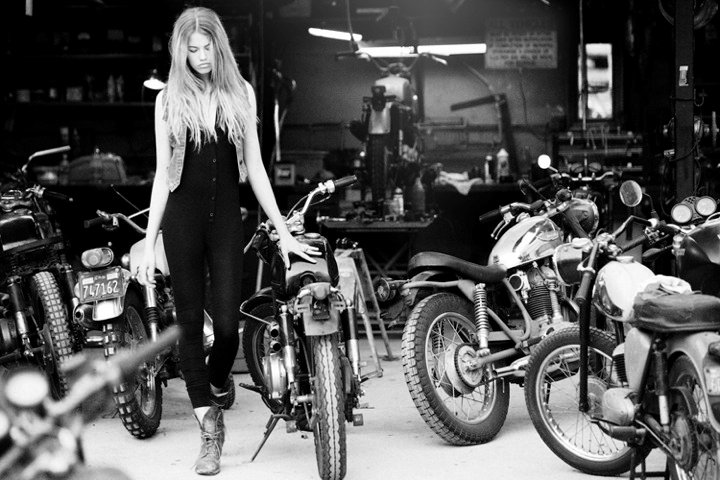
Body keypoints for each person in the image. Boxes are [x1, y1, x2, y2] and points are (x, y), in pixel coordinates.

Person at [137, 6, 318, 476]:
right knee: (189, 326)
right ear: (180, 53)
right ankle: (209, 429)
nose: (200, 56)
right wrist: (149, 242)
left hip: (224, 224)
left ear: (220, 47)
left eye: (207, 47)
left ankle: (217, 385)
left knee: (228, 328)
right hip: (181, 222)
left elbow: (255, 167)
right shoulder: (167, 100)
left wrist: (283, 231)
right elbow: (162, 175)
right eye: (191, 50)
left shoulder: (241, 93)